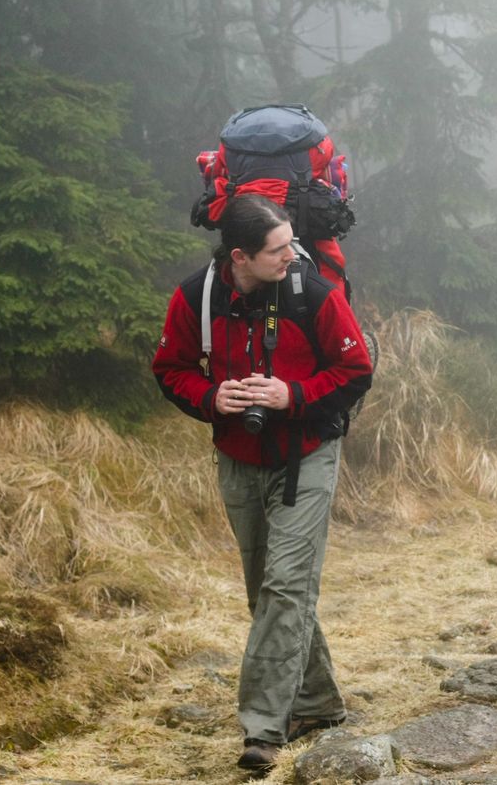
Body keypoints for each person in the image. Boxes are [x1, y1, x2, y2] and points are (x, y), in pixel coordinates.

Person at [151, 195, 373, 771]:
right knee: (269, 589)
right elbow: (169, 368)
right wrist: (210, 397)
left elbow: (356, 371)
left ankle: (263, 728)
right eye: (278, 249)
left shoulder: (312, 291)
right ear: (241, 256)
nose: (291, 254)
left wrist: (292, 395)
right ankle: (320, 702)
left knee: (284, 585)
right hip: (238, 457)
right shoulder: (197, 295)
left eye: (292, 242)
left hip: (308, 453)